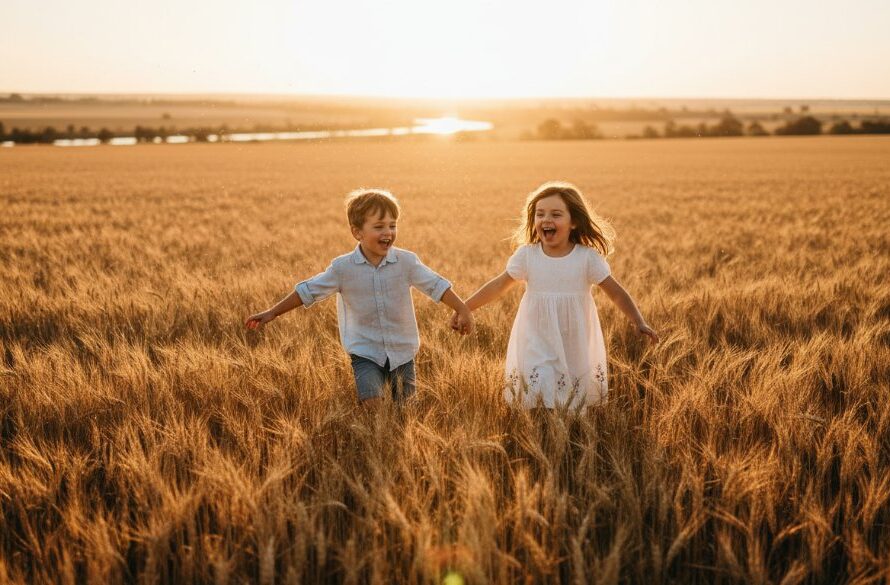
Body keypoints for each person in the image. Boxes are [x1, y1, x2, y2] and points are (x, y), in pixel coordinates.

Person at [246, 188, 473, 406]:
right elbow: (308, 291)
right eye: (379, 226)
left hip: (402, 353)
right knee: (372, 404)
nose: (388, 233)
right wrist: (272, 312)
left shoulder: (407, 262)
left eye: (392, 225)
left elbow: (436, 285)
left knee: (406, 410)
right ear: (357, 232)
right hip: (365, 353)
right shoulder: (342, 268)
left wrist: (462, 308)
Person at [455, 181, 658, 410]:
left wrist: (638, 320)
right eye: (540, 214)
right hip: (536, 337)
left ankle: (566, 439)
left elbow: (616, 292)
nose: (546, 220)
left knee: (572, 398)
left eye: (556, 214)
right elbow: (499, 285)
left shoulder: (586, 258)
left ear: (574, 222)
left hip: (574, 340)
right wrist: (465, 307)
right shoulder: (528, 256)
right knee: (539, 388)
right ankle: (541, 434)